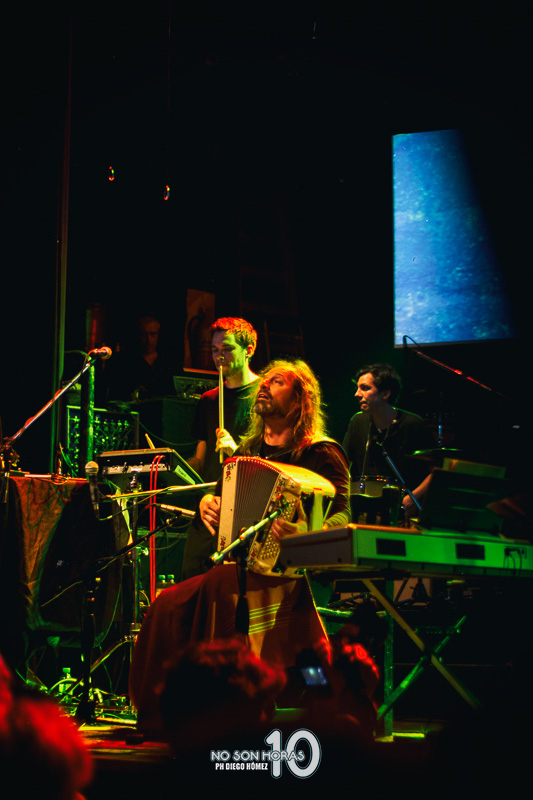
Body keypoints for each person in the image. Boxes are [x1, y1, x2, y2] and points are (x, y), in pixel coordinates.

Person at [129, 359, 350, 732]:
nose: (264, 386)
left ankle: (225, 707)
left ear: (300, 399)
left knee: (222, 584)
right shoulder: (246, 451)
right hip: (242, 567)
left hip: (295, 572)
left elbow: (343, 514)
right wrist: (207, 503)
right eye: (264, 381)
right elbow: (220, 498)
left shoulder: (321, 453)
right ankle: (160, 710)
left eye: (276, 382)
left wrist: (308, 534)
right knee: (166, 602)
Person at [181, 317, 260, 579]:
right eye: (215, 350)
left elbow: (274, 459)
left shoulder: (264, 396)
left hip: (248, 507)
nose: (219, 357)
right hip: (211, 504)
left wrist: (237, 450)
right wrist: (174, 469)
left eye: (226, 349)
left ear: (249, 350)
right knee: (191, 579)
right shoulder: (209, 399)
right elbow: (200, 459)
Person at [342, 364, 436, 517]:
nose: (357, 394)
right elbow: (343, 464)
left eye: (365, 388)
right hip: (365, 509)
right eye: (357, 388)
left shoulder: (413, 424)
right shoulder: (357, 422)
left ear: (385, 393)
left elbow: (437, 471)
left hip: (404, 511)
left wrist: (413, 499)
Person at [107, 314, 175, 401]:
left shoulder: (167, 364)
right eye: (143, 334)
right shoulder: (125, 363)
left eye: (152, 334)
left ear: (158, 335)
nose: (148, 340)